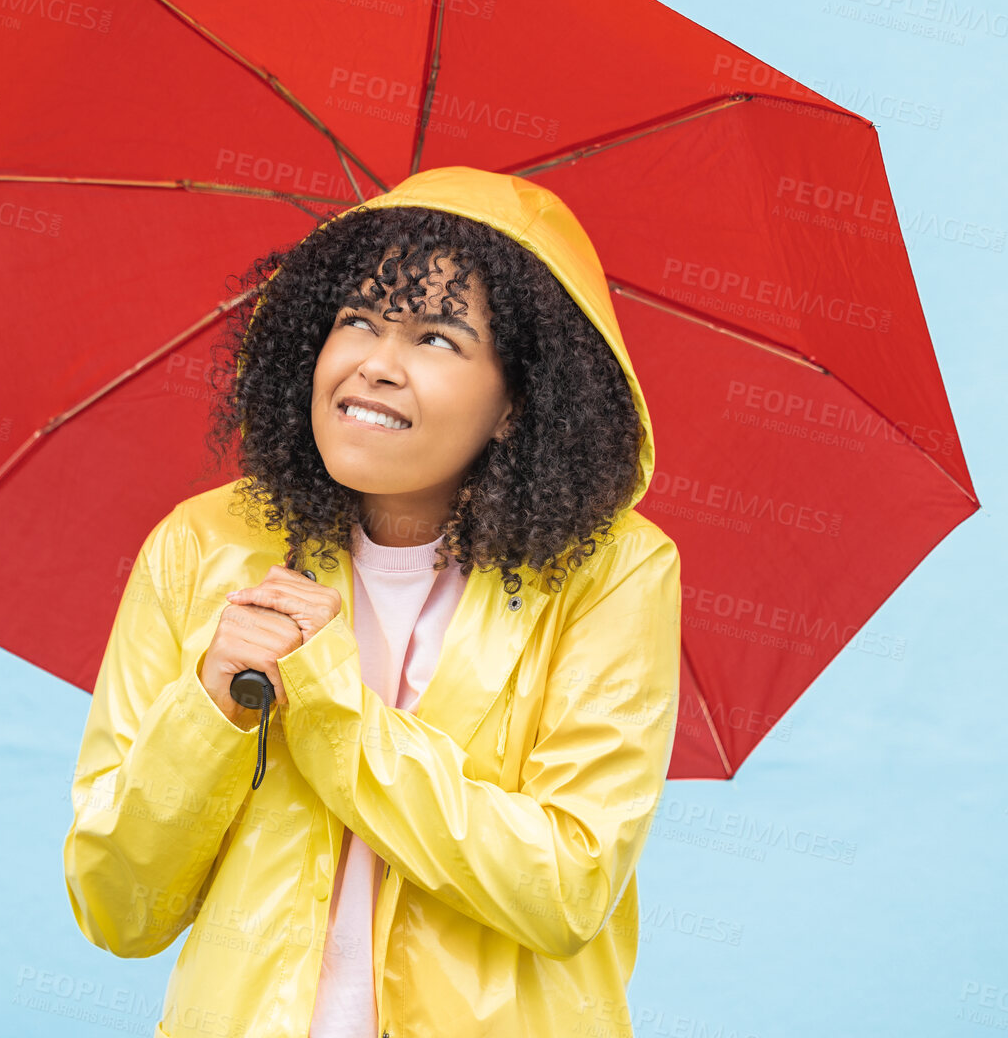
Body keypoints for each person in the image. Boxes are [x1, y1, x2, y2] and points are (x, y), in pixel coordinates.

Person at [63, 165, 682, 1038]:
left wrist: (325, 701)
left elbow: (566, 887)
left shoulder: (611, 571)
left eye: (437, 339)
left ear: (517, 402)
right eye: (356, 319)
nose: (374, 366)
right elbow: (116, 908)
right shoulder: (202, 547)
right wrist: (210, 713)